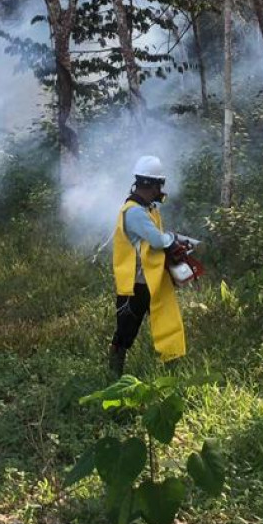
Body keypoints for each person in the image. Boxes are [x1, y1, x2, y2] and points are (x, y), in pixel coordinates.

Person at [108, 155, 188, 376]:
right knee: (125, 332)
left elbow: (158, 236)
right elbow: (156, 239)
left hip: (150, 280)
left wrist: (175, 239)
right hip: (134, 284)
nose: (159, 190)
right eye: (158, 185)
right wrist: (172, 242)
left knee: (167, 322)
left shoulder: (148, 208)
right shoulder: (134, 211)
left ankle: (173, 369)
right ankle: (113, 375)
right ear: (151, 185)